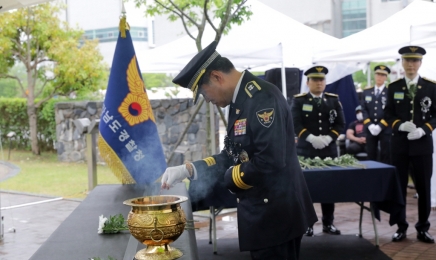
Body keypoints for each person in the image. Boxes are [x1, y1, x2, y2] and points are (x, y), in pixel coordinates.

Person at [161, 41, 318, 259]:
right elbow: (232, 154)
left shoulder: (262, 99)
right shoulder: (240, 100)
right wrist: (189, 169)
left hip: (276, 217)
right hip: (266, 215)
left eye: (205, 93)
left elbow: (270, 160)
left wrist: (230, 178)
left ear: (217, 77)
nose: (208, 100)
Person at [385, 45, 436, 243]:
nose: (411, 64)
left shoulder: (431, 87)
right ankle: (400, 226)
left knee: (423, 188)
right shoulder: (394, 87)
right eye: (407, 60)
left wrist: (425, 129)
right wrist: (399, 125)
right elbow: (388, 114)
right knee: (399, 187)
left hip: (422, 145)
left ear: (420, 63)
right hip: (399, 145)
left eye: (415, 60)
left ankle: (422, 228)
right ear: (402, 62)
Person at [291, 66, 345, 237]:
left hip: (328, 150)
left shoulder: (333, 100)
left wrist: (329, 138)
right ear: (308, 82)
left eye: (321, 79)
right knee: (306, 188)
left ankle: (328, 222)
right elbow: (295, 123)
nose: (319, 83)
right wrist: (311, 138)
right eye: (315, 80)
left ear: (325, 82)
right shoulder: (299, 101)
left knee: (329, 188)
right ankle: (307, 223)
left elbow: (340, 123)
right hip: (307, 150)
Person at [361, 65, 391, 164]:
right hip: (370, 128)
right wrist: (369, 125)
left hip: (385, 128)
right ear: (374, 75)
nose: (380, 77)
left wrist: (380, 125)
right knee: (370, 153)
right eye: (378, 74)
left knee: (385, 154)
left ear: (386, 77)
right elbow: (363, 109)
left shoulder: (389, 92)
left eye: (383, 75)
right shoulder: (367, 91)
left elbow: (390, 111)